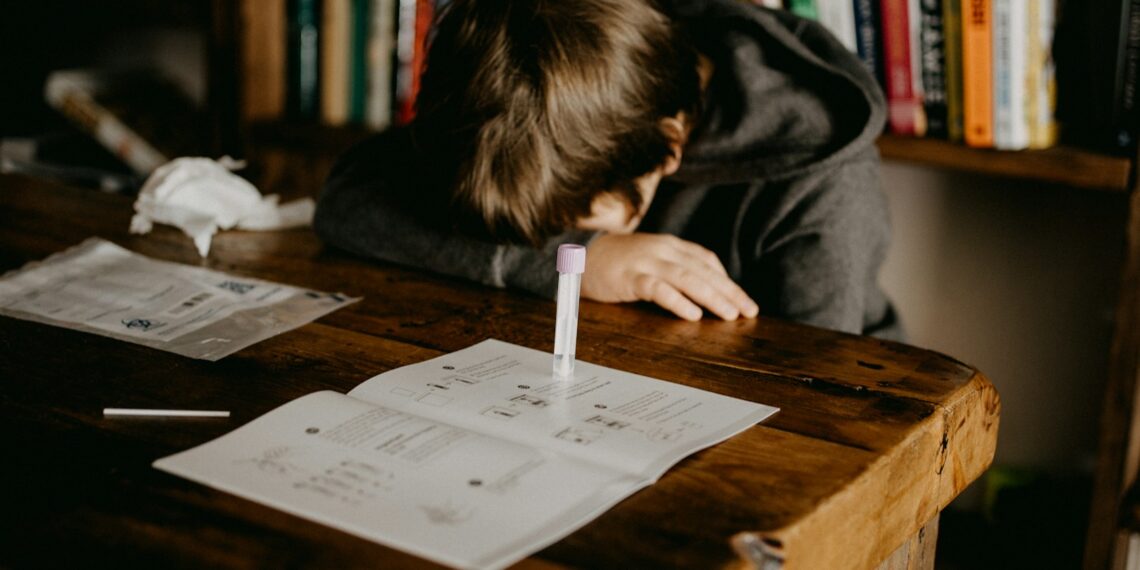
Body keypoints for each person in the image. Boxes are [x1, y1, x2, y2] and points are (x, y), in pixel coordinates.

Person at [314, 0, 903, 339]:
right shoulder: (510, 91)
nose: (556, 236)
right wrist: (573, 259)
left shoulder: (823, 186)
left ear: (668, 149)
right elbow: (345, 202)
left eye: (570, 222)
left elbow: (824, 395)